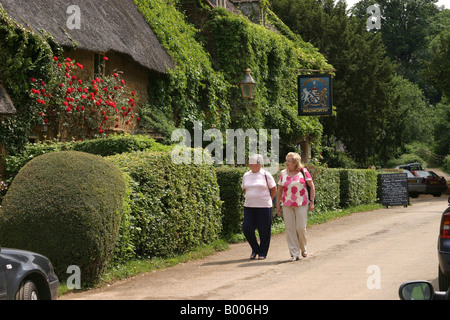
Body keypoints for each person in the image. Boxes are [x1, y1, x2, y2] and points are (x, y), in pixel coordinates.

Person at [276, 152, 315, 262]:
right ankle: (294, 253)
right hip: (287, 204)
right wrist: (278, 206)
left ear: (295, 162)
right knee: (290, 229)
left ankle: (303, 248)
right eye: (286, 160)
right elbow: (279, 191)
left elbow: (312, 187)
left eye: (289, 161)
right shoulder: (283, 173)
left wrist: (311, 202)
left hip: (301, 203)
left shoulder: (303, 171)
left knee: (300, 228)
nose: (286, 163)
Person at [241, 154, 277, 260]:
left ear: (259, 164)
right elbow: (244, 188)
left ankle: (263, 252)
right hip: (249, 206)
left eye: (252, 163)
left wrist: (269, 199)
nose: (250, 165)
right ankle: (255, 248)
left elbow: (273, 188)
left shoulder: (266, 174)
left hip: (264, 206)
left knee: (264, 230)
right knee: (247, 228)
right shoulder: (246, 175)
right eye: (249, 163)